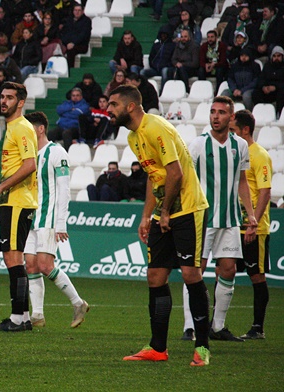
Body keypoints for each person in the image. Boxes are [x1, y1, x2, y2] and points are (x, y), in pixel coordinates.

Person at [109, 85, 211, 366]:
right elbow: (155, 178)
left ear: (131, 106)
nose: (109, 109)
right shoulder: (132, 136)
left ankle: (202, 347)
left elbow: (175, 173)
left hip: (187, 208)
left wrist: (165, 212)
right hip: (163, 213)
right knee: (155, 276)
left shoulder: (156, 127)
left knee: (191, 273)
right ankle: (157, 348)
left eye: (114, 104)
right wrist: (147, 216)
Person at [180, 96, 255, 342]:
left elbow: (242, 182)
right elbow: (186, 180)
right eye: (212, 111)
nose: (215, 116)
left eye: (221, 112)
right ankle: (190, 327)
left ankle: (218, 326)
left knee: (229, 269)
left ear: (231, 117)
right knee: (195, 271)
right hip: (203, 218)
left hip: (230, 218)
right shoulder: (198, 145)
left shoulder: (240, 146)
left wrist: (250, 214)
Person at [23, 111, 89, 329]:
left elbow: (64, 190)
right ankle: (38, 315)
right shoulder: (30, 155)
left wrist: (61, 222)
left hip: (48, 217)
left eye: (29, 128)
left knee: (44, 265)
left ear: (40, 129)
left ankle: (78, 303)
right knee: (30, 265)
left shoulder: (56, 152)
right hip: (31, 217)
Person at [0, 82, 38, 332]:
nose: (3, 101)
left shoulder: (22, 128)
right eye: (2, 96)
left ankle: (18, 318)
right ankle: (23, 316)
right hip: (12, 201)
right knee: (12, 259)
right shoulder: (12, 127)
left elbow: (29, 165)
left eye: (10, 97)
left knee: (13, 259)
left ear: (21, 102)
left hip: (19, 201)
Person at [231, 110, 272, 340]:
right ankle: (217, 326)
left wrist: (253, 224)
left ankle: (258, 327)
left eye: (233, 130)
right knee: (223, 271)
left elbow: (265, 192)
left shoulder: (260, 155)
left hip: (254, 228)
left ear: (245, 130)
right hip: (233, 225)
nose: (231, 134)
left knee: (256, 275)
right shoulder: (237, 154)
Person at [252, 46, 284, 114]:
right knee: (256, 93)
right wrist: (263, 87)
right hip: (268, 90)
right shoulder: (267, 66)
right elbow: (261, 78)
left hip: (279, 90)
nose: (276, 58)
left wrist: (275, 87)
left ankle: (279, 114)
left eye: (278, 56)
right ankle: (260, 113)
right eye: (274, 56)